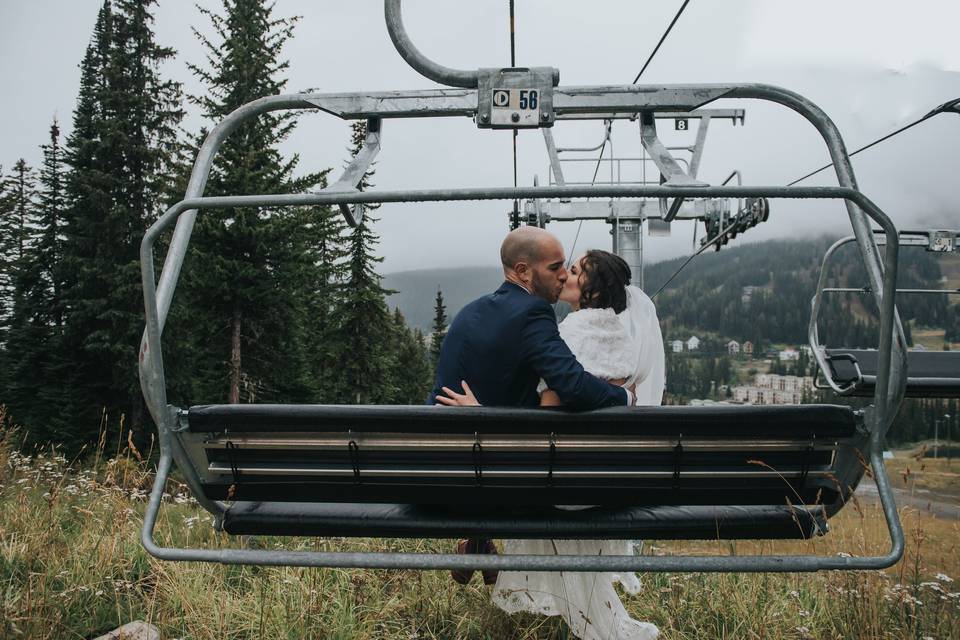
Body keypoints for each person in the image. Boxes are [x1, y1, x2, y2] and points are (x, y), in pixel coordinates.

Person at [438, 249, 665, 640]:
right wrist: (626, 399)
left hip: (563, 482)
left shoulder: (572, 333)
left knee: (498, 460)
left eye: (573, 270)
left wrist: (483, 412)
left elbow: (548, 418)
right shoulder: (621, 338)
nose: (564, 276)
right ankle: (478, 540)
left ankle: (477, 537)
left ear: (591, 290)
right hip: (607, 480)